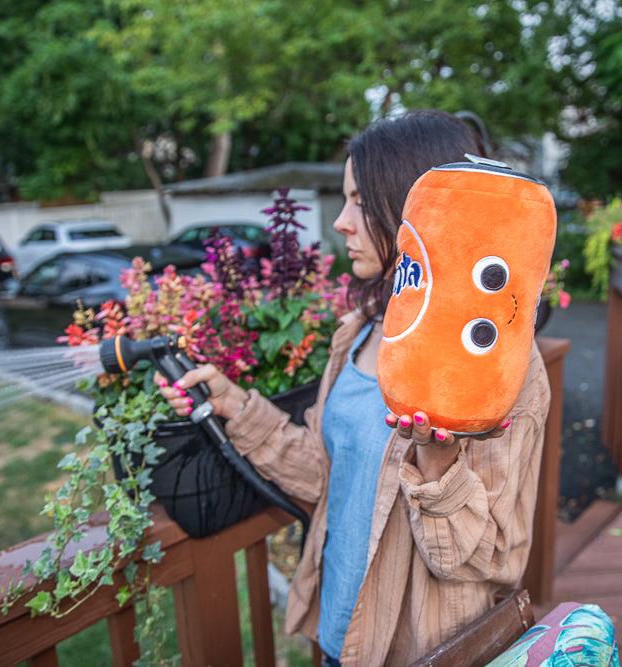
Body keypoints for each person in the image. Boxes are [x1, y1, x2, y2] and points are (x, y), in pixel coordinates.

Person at [156, 109, 551, 666]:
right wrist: (233, 403)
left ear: (419, 207)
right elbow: (324, 474)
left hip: (417, 651)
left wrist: (438, 467)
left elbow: (491, 560)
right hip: (337, 635)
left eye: (360, 202)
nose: (341, 222)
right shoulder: (358, 333)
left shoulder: (501, 369)